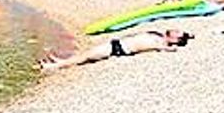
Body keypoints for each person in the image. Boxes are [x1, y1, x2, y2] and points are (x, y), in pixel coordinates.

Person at [40, 27, 194, 72]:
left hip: (117, 49)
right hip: (116, 45)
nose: (174, 29)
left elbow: (167, 49)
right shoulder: (158, 35)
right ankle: (60, 62)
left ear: (175, 40)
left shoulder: (161, 43)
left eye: (177, 32)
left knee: (85, 57)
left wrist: (174, 45)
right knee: (85, 55)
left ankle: (54, 66)